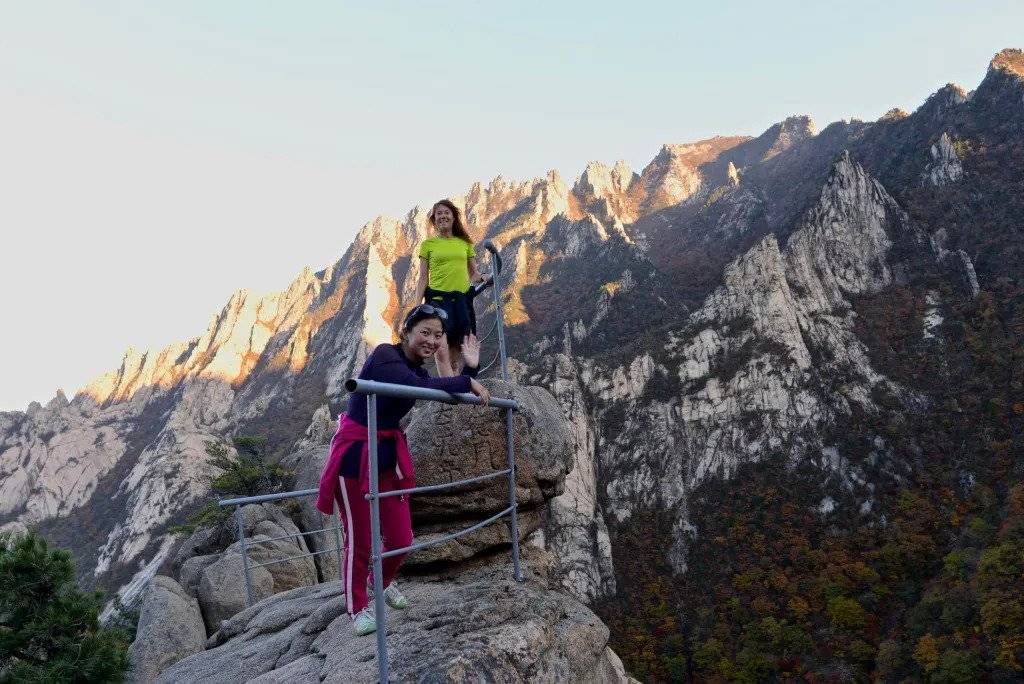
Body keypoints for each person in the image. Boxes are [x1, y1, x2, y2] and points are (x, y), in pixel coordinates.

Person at [315, 304, 490, 636]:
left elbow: (446, 389)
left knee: (401, 539)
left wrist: (468, 369)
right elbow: (425, 387)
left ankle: (378, 582)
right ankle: (357, 607)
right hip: (355, 457)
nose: (432, 340)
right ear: (406, 331)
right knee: (361, 540)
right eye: (425, 331)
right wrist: (464, 378)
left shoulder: (417, 370)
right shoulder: (385, 356)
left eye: (438, 335)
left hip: (385, 458)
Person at [413, 199, 486, 375]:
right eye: (439, 213)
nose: (443, 216)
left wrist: (484, 277)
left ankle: (455, 390)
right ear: (434, 219)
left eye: (446, 212)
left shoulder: (465, 243)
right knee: (441, 349)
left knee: (458, 354)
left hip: (461, 302)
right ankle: (448, 390)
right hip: (437, 301)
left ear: (453, 217)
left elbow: (473, 274)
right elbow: (423, 277)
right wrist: (418, 306)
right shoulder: (428, 245)